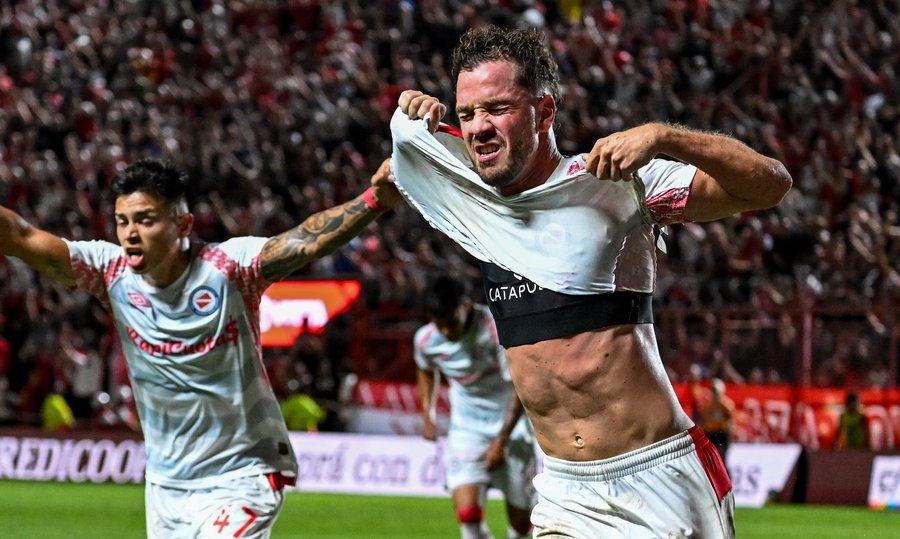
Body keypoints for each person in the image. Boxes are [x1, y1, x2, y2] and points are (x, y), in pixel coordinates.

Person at [391, 25, 792, 538]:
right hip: (564, 489)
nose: (479, 127)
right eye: (467, 113)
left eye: (497, 108)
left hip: (661, 478)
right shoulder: (474, 199)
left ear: (544, 112)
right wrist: (415, 110)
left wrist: (664, 136)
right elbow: (405, 151)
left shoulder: (615, 184)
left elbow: (769, 185)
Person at [0, 157, 401, 538]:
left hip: (243, 473)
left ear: (182, 225)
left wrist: (374, 199)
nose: (130, 234)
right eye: (122, 222)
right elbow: (20, 235)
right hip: (167, 485)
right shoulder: (110, 273)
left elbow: (304, 241)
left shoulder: (228, 268)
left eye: (145, 220)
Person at [414, 275, 536, 539]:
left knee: (521, 526)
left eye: (451, 321)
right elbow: (425, 369)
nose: (446, 331)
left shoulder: (495, 331)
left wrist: (500, 442)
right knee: (468, 516)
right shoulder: (425, 340)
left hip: (513, 429)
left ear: (466, 305)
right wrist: (429, 414)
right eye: (439, 324)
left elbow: (518, 387)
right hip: (467, 430)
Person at [698, 378, 736, 461]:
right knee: (710, 458)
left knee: (722, 458)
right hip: (711, 433)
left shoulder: (726, 405)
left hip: (722, 433)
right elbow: (704, 419)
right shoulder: (708, 405)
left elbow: (730, 419)